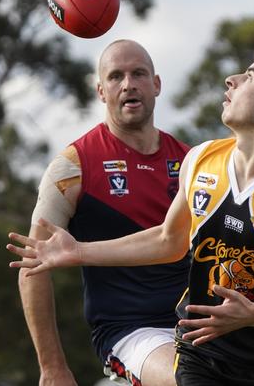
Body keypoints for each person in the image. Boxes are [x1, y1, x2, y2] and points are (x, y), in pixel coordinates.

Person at [8, 30, 254, 386]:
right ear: (101, 91)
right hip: (175, 343)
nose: (231, 79)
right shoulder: (195, 161)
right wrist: (78, 254)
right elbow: (167, 239)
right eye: (115, 76)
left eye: (249, 76)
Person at [17, 39, 190, 386]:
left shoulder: (190, 160)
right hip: (130, 332)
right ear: (101, 91)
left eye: (139, 73)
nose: (128, 84)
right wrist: (52, 367)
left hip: (197, 326)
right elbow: (32, 266)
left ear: (156, 84)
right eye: (116, 76)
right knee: (190, 378)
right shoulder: (72, 166)